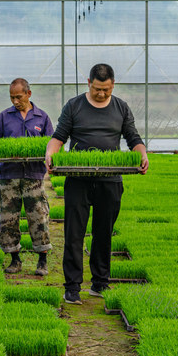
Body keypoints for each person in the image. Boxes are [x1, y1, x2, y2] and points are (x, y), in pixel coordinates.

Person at [44, 63, 148, 305]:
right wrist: (51, 154)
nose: (102, 94)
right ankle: (72, 287)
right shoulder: (74, 105)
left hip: (110, 180)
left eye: (107, 90)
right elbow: (59, 137)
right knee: (74, 233)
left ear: (113, 86)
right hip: (78, 180)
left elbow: (133, 138)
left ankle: (100, 283)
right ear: (88, 83)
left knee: (104, 233)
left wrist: (142, 155)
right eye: (98, 89)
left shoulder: (121, 107)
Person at [0, 78, 55, 276]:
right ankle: (14, 259)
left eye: (18, 97)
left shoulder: (42, 117)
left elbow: (53, 143)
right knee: (8, 219)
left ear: (29, 94)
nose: (15, 101)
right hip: (9, 177)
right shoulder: (4, 117)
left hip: (34, 177)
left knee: (38, 217)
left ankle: (42, 260)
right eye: (12, 97)